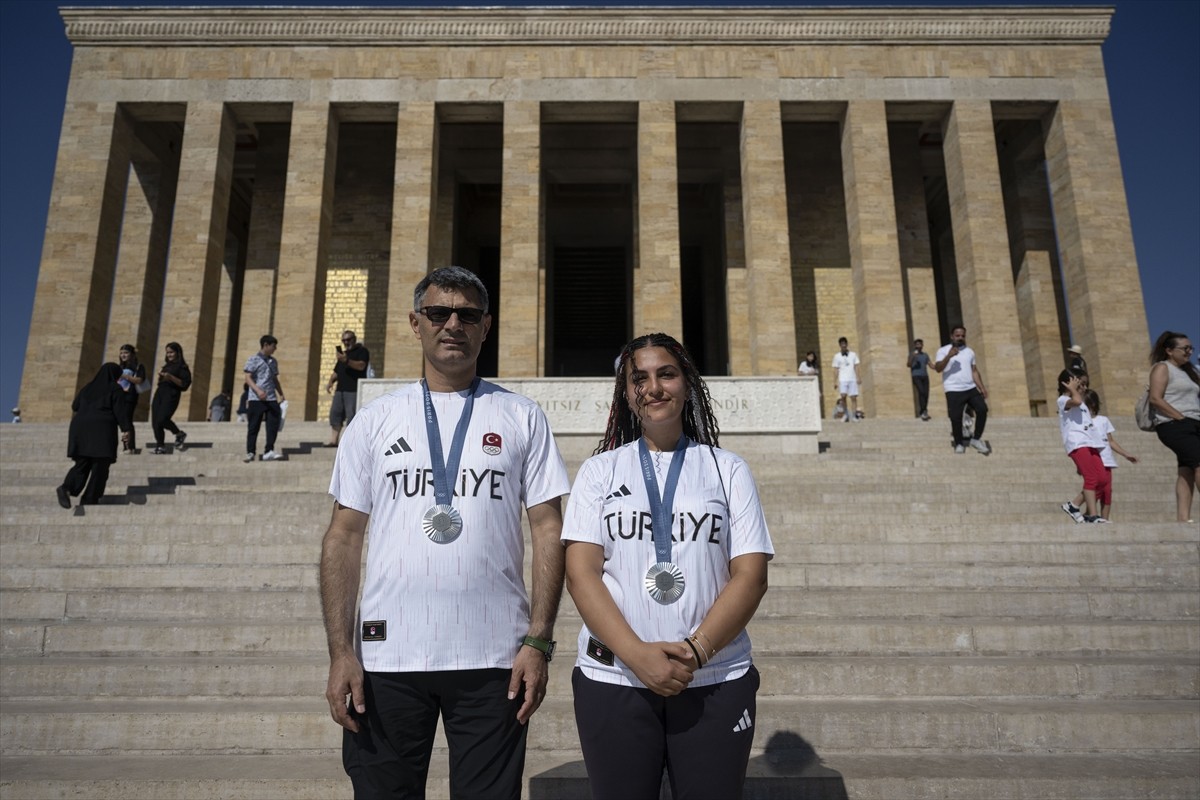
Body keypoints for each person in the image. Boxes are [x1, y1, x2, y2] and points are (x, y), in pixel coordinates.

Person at [319, 266, 570, 800]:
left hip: (494, 656)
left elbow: (549, 529)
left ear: (486, 327)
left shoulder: (522, 416)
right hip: (387, 659)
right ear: (416, 323)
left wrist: (539, 641)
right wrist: (342, 651)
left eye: (468, 315)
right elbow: (342, 538)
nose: (453, 324)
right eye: (439, 313)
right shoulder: (374, 420)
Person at [562, 332, 774, 800]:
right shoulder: (599, 471)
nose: (654, 387)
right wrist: (638, 657)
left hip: (714, 677)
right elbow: (581, 573)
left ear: (688, 384)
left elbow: (752, 574)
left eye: (667, 374)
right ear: (626, 392)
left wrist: (697, 652)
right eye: (640, 378)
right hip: (614, 676)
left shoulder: (728, 468)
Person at [56, 363, 133, 508]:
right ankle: (90, 498)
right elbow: (120, 411)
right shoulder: (115, 388)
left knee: (82, 462)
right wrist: (126, 429)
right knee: (101, 465)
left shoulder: (87, 388)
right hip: (102, 428)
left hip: (80, 428)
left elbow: (75, 406)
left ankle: (66, 488)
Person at [1146, 331, 1200, 523]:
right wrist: (1180, 417)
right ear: (1169, 350)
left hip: (1193, 423)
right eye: (1185, 348)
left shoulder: (1189, 371)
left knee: (1186, 469)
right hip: (1174, 424)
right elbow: (1155, 398)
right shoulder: (1162, 367)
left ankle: (1182, 519)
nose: (1189, 352)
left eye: (1191, 348)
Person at [1067, 389, 1137, 521]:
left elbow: (1110, 441)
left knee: (1106, 491)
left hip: (1107, 459)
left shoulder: (1103, 420)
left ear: (1092, 405)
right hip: (1093, 459)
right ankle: (1088, 513)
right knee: (1095, 487)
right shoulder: (1081, 423)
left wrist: (1125, 454)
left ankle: (1103, 518)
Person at [1056, 369, 1109, 524]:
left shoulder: (1083, 404)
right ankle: (1092, 515)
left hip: (1091, 443)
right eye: (1081, 384)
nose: (1085, 388)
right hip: (1077, 443)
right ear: (1068, 383)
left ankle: (1074, 505)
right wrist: (1072, 389)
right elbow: (1077, 401)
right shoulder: (1062, 400)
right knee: (1092, 478)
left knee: (1102, 479)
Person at [933, 325, 991, 455]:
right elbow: (938, 368)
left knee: (982, 409)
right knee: (955, 417)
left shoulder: (970, 351)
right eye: (957, 335)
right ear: (952, 336)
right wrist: (949, 356)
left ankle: (976, 439)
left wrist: (981, 387)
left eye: (963, 336)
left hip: (970, 387)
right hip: (953, 389)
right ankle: (958, 443)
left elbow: (974, 371)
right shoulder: (943, 350)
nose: (960, 338)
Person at [324, 330, 370, 446]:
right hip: (340, 389)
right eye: (344, 340)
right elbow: (336, 371)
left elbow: (361, 366)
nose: (346, 342)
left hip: (353, 389)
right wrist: (330, 382)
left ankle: (350, 442)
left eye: (348, 340)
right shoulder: (343, 354)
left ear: (354, 339)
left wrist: (347, 361)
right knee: (335, 414)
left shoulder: (362, 351)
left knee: (352, 416)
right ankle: (334, 440)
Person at [244, 335, 285, 462]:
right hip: (256, 398)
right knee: (254, 426)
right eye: (273, 346)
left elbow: (274, 379)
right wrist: (258, 390)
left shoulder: (273, 362)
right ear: (266, 345)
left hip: (271, 398)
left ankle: (269, 450)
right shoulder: (253, 359)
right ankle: (251, 451)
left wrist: (281, 393)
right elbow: (248, 377)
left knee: (273, 424)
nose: (275, 349)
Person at [150, 342, 191, 455]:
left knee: (162, 419)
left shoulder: (182, 367)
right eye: (167, 352)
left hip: (171, 394)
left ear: (178, 353)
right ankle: (160, 446)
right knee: (155, 422)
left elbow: (184, 384)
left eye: (171, 352)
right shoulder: (166, 366)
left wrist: (170, 377)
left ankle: (179, 433)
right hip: (160, 393)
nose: (169, 354)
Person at [116, 344, 147, 451]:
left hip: (130, 396)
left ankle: (129, 446)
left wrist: (125, 376)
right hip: (118, 397)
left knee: (127, 420)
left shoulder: (138, 366)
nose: (123, 355)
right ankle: (126, 445)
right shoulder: (119, 367)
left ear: (132, 354)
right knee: (122, 421)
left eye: (126, 353)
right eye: (121, 353)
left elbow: (140, 380)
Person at [831, 337, 860, 422]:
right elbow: (835, 369)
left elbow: (856, 366)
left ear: (847, 344)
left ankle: (854, 415)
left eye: (845, 343)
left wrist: (858, 377)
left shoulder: (853, 355)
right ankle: (846, 414)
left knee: (853, 397)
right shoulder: (837, 356)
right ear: (840, 345)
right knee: (843, 396)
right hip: (842, 378)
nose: (843, 345)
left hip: (852, 378)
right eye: (842, 344)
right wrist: (834, 381)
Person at [907, 338, 932, 421]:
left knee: (926, 394)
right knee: (921, 392)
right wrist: (913, 357)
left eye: (920, 344)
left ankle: (924, 410)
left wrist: (938, 367)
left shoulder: (925, 355)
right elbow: (908, 364)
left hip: (925, 376)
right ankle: (923, 411)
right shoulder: (912, 354)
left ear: (922, 345)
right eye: (917, 344)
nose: (918, 346)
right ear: (915, 346)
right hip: (916, 376)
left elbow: (930, 364)